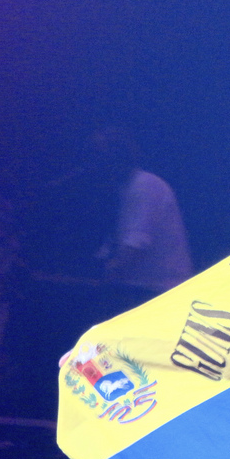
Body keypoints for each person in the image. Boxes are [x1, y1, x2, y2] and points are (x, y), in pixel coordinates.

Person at [85, 126, 194, 317]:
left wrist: (101, 276)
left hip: (156, 292)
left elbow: (136, 244)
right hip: (141, 291)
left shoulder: (144, 185)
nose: (98, 162)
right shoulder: (124, 188)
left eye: (104, 153)